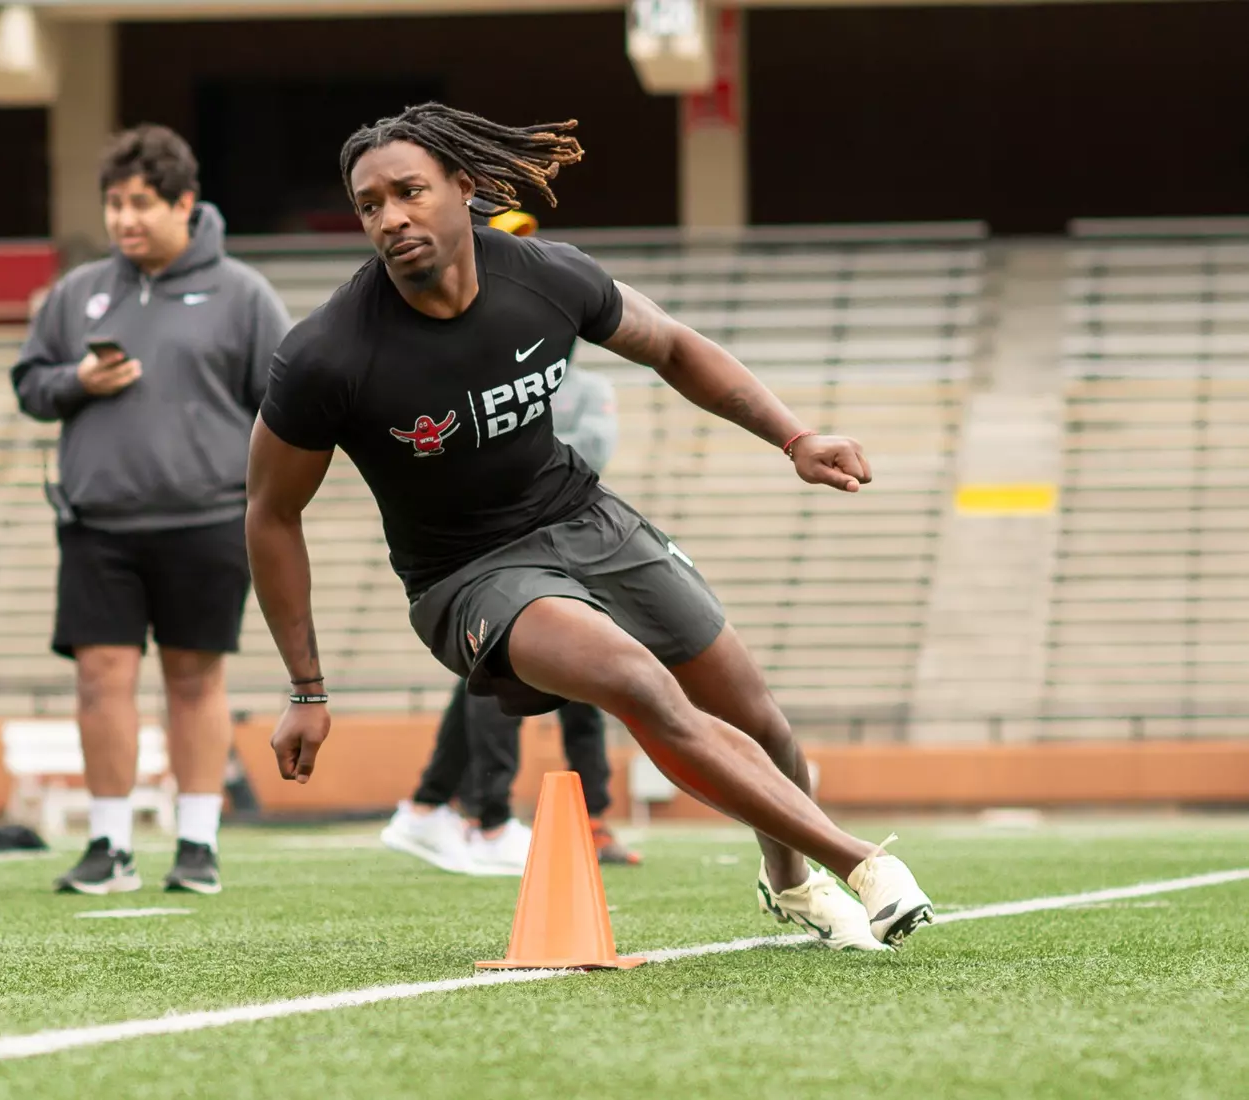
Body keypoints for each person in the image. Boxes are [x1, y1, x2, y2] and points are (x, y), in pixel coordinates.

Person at [246, 103, 935, 952]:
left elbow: (674, 347)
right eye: (369, 205)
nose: (390, 218)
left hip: (582, 516)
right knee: (637, 683)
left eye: (409, 192)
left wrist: (795, 436)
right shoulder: (325, 355)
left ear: (465, 188)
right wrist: (306, 689)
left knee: (763, 726)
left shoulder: (545, 275)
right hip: (469, 575)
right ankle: (863, 865)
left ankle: (791, 885)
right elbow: (271, 511)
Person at [12, 124, 291, 897]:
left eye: (141, 204)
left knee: (195, 680)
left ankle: (197, 842)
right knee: (101, 681)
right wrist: (77, 381)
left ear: (185, 204)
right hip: (97, 523)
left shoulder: (241, 293)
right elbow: (31, 384)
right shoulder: (77, 293)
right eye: (113, 204)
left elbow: (285, 401)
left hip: (205, 519)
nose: (125, 220)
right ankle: (110, 845)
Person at [384, 363, 640, 874]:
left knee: (580, 680)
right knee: (497, 668)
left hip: (562, 539)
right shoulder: (482, 377)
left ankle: (437, 805)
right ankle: (486, 817)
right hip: (496, 544)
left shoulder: (587, 388)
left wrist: (512, 462)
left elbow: (592, 452)